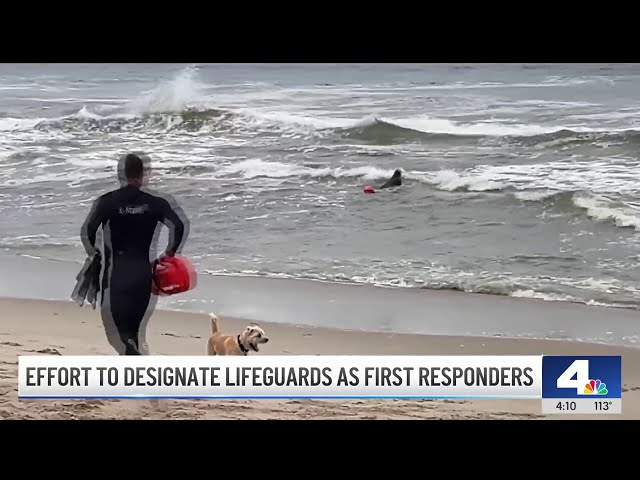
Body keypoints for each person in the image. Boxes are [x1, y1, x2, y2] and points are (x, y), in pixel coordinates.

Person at [78, 153, 190, 355]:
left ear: (121, 174)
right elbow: (179, 226)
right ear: (143, 174)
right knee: (133, 332)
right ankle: (136, 373)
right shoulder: (156, 203)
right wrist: (170, 254)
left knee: (121, 335)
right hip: (142, 275)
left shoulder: (107, 202)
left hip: (116, 276)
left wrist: (95, 255)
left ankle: (135, 370)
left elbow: (88, 231)